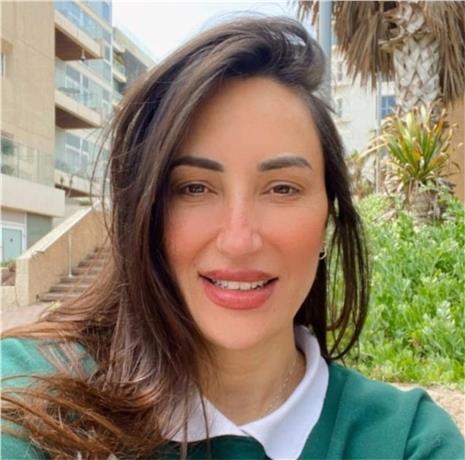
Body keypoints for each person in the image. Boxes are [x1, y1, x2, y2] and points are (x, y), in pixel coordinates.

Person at [1, 16, 463, 460]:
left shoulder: (407, 441)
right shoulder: (31, 395)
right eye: (194, 188)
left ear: (328, 216)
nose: (239, 241)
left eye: (282, 189)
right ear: (146, 212)